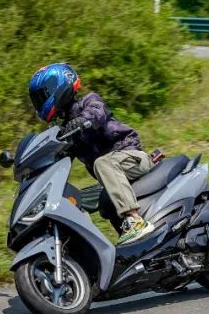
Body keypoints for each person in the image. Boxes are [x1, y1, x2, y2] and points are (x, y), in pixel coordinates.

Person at [28, 62, 155, 244]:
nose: (40, 102)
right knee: (85, 199)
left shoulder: (89, 101)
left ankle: (135, 220)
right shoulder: (65, 129)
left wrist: (81, 121)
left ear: (58, 87)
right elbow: (57, 156)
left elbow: (97, 113)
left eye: (42, 96)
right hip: (115, 173)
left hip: (132, 158)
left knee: (102, 163)